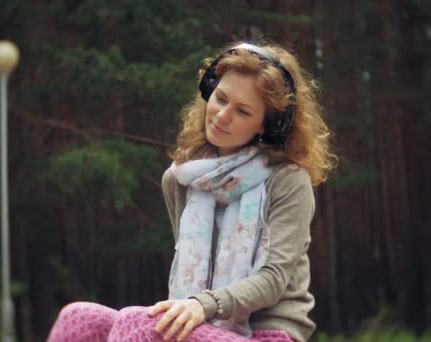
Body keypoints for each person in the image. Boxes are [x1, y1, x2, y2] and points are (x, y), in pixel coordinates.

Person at [47, 42, 335, 342]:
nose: (222, 116)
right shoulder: (179, 179)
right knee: (78, 317)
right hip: (205, 325)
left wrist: (204, 305)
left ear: (269, 125)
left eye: (243, 111)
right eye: (221, 99)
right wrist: (196, 308)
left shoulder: (288, 180)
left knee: (137, 321)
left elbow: (273, 279)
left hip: (270, 335)